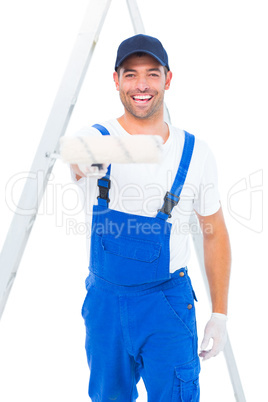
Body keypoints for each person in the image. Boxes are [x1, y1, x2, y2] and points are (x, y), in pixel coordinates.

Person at [70, 34, 231, 402]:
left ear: (168, 79)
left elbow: (214, 233)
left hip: (167, 307)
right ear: (116, 81)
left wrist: (219, 314)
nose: (141, 84)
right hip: (105, 305)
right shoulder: (95, 137)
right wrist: (131, 149)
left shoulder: (197, 154)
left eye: (151, 74)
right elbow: (74, 156)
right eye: (130, 74)